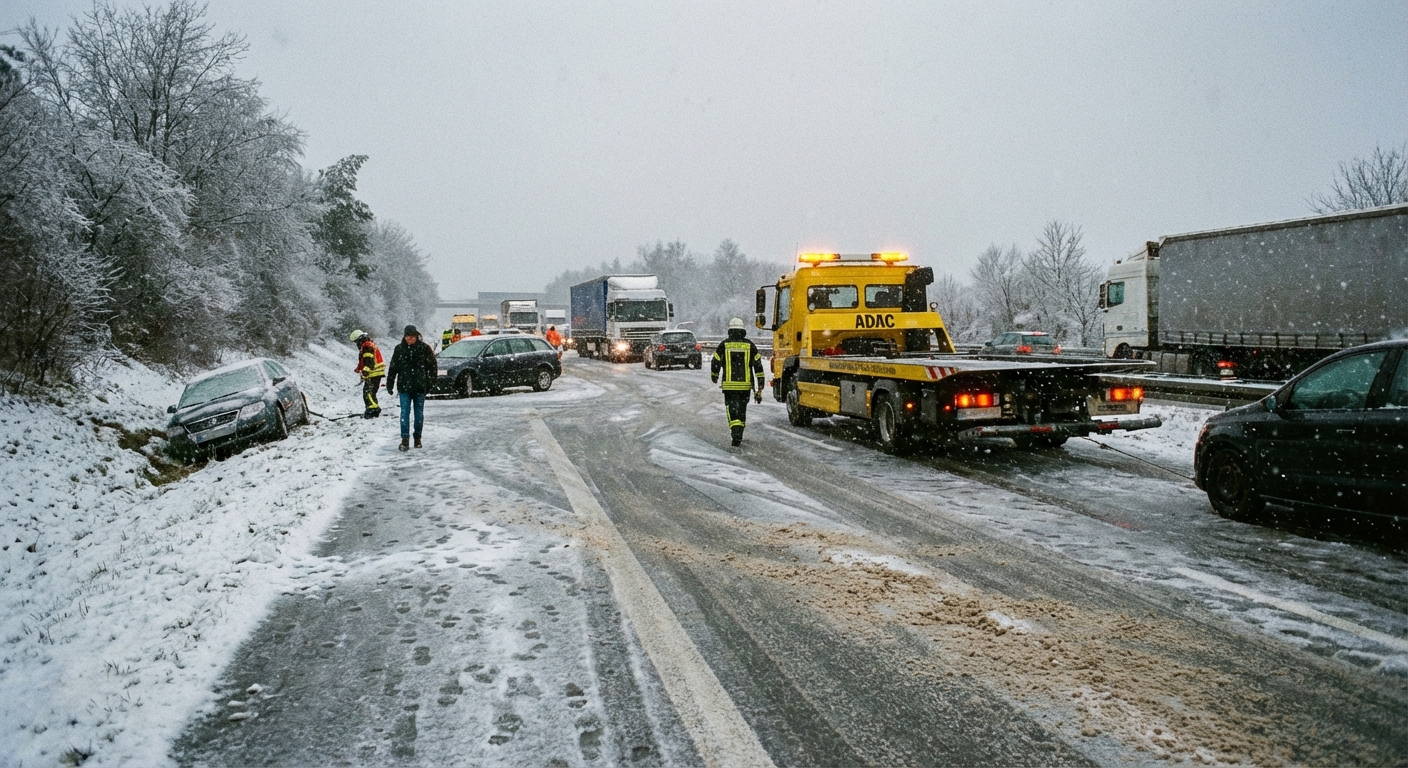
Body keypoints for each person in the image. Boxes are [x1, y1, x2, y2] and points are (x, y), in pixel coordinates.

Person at [710, 317, 765, 446]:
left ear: (730, 331)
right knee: (741, 409)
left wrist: (714, 375)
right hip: (745, 386)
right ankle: (739, 431)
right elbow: (758, 366)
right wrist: (760, 385)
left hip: (729, 386)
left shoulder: (724, 345)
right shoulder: (749, 345)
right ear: (743, 330)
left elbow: (715, 361)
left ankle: (735, 433)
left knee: (731, 409)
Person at [386, 324, 438, 451]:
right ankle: (405, 439)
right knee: (405, 413)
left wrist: (429, 383)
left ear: (416, 336)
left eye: (412, 337)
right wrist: (390, 383)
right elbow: (393, 367)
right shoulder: (399, 349)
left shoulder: (424, 349)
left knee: (418, 414)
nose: (410, 339)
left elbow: (432, 367)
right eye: (408, 337)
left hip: (419, 387)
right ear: (404, 337)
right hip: (404, 387)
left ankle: (417, 438)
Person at [350, 329, 385, 419]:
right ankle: (373, 409)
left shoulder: (366, 346)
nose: (356, 344)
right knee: (372, 392)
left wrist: (365, 371)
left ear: (359, 340)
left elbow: (369, 361)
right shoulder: (369, 344)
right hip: (376, 373)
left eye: (356, 342)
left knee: (367, 393)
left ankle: (372, 410)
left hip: (373, 373)